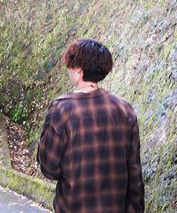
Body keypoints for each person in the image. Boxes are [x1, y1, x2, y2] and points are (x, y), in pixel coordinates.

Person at [37, 39, 144, 213]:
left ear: (79, 71)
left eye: (70, 66)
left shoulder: (62, 109)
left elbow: (49, 167)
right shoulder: (125, 109)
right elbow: (134, 170)